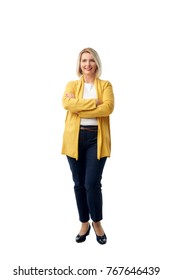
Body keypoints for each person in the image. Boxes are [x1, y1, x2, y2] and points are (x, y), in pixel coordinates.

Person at [61, 47, 114, 245]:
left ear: (96, 63)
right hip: (74, 139)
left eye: (91, 60)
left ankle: (97, 222)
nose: (87, 64)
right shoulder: (72, 85)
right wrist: (94, 104)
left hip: (96, 140)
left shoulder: (106, 85)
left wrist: (80, 106)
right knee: (79, 184)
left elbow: (108, 108)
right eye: (84, 60)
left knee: (92, 184)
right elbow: (67, 105)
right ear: (79, 64)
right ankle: (84, 222)